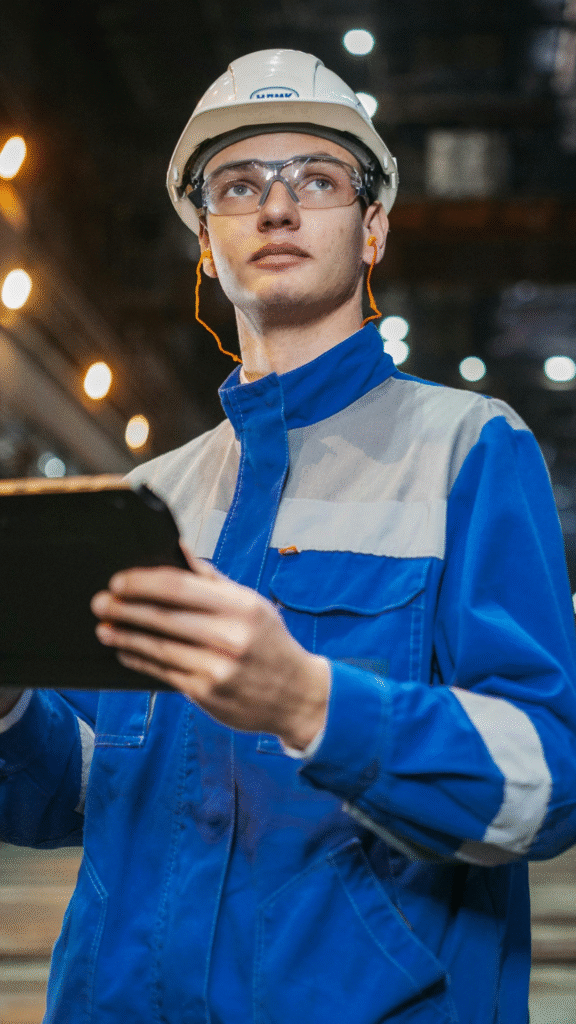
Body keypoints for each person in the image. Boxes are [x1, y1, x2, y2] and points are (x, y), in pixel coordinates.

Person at [1, 48, 576, 1024]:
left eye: (316, 178)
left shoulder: (467, 450)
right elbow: (81, 792)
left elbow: (548, 780)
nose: (275, 207)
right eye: (237, 183)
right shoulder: (148, 496)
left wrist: (311, 703)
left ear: (375, 224)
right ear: (204, 237)